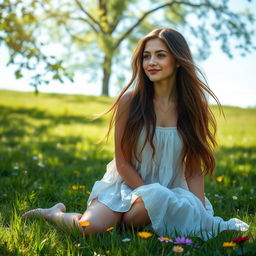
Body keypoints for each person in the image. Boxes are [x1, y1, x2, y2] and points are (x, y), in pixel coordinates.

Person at [22, 28, 249, 239]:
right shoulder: (130, 102)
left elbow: (193, 170)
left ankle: (127, 222)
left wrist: (201, 213)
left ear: (178, 61)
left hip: (168, 194)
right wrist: (146, 194)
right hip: (126, 186)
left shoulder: (192, 105)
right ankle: (54, 213)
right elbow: (122, 163)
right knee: (89, 228)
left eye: (160, 55)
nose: (151, 62)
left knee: (159, 199)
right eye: (146, 56)